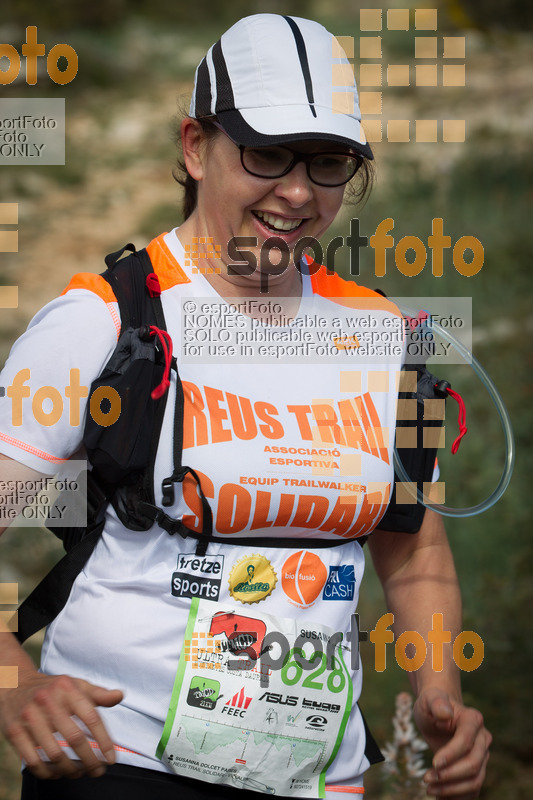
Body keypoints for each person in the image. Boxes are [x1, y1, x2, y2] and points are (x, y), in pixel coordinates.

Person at [0, 13, 491, 800]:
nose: (296, 192)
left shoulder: (386, 337)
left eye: (327, 163)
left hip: (318, 780)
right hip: (121, 761)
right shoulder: (107, 319)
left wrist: (442, 695)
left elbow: (416, 552)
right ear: (196, 148)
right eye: (264, 154)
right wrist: (16, 687)